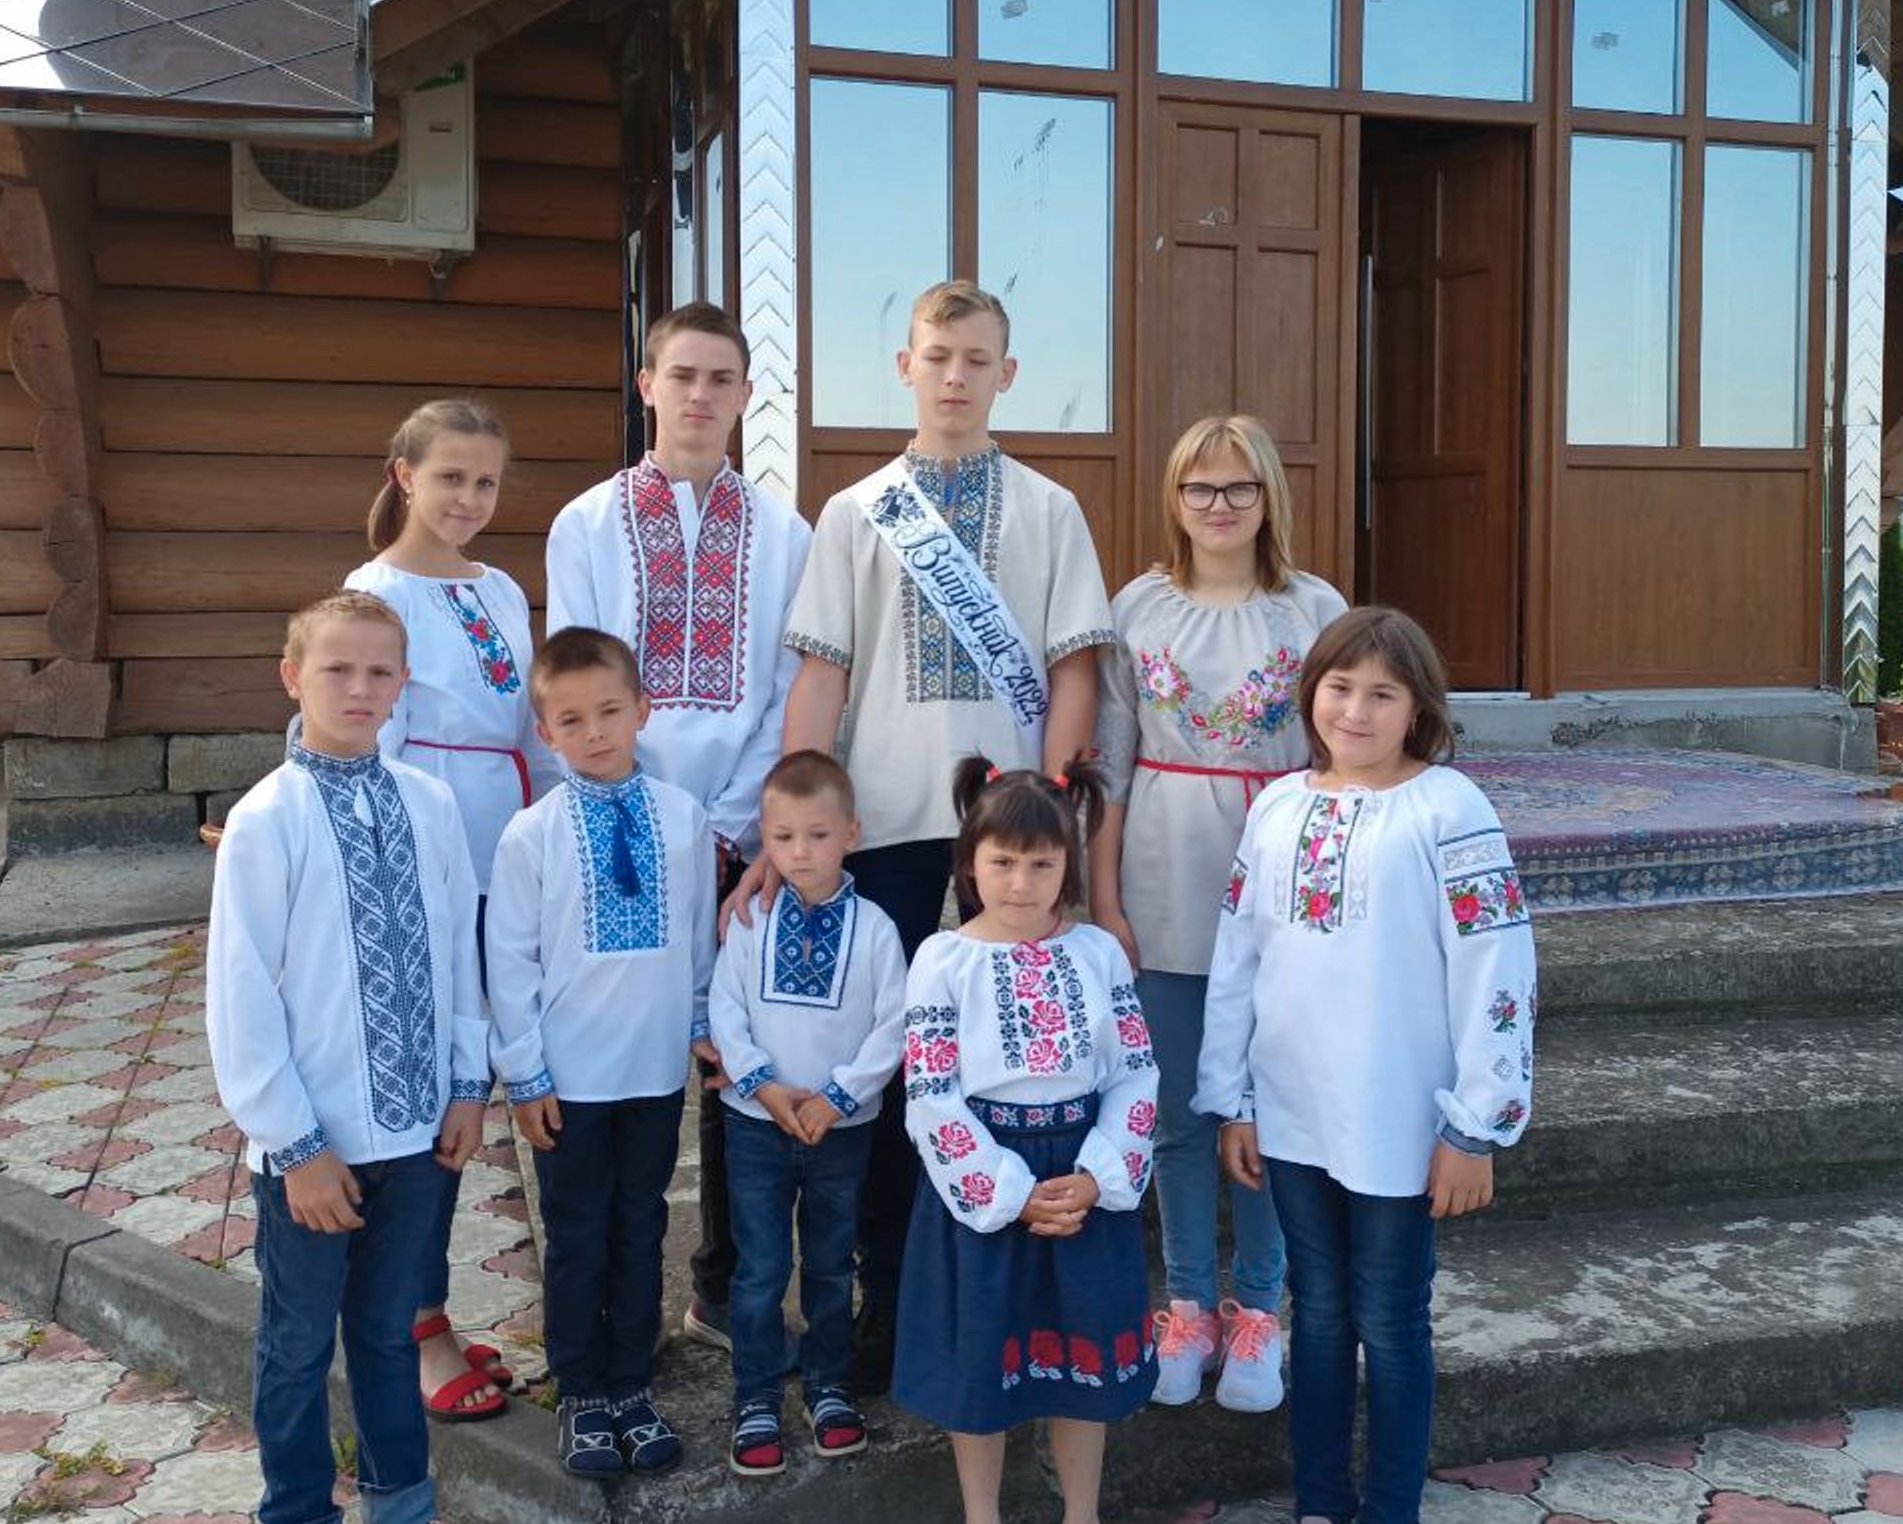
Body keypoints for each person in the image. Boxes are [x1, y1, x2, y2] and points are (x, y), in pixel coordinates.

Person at [774, 278, 1117, 1392]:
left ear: (1006, 374)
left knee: (1007, 1060)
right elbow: (823, 675)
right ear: (905, 366)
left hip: (1007, 841)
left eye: (978, 358)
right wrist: (794, 823)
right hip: (879, 831)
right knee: (881, 1071)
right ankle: (885, 1297)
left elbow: (1074, 667)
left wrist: (1052, 801)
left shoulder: (1050, 509)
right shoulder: (855, 511)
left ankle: (1014, 1286)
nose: (956, 376)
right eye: (938, 355)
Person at [1198, 606, 1537, 1524]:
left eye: (1383, 693)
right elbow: (1237, 956)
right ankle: (1318, 1521)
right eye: (1340, 686)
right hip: (1292, 1115)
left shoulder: (1450, 809)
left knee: (1390, 1325)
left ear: (1418, 710)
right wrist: (1233, 1094)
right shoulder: (1276, 810)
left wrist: (1475, 1123)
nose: (1356, 709)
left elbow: (1497, 966)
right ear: (1310, 694)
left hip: (1399, 1121)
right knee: (1317, 1314)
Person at [205, 591, 504, 1524]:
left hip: (419, 1139)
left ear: (403, 684)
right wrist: (295, 1147)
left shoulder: (428, 805)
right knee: (293, 1353)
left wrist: (470, 1083)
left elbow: (462, 957)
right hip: (316, 1152)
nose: (361, 690)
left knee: (388, 1338)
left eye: (381, 672)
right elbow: (242, 996)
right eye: (338, 670)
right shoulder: (265, 821)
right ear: (294, 677)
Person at [547, 303, 814, 1355]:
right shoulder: (587, 523)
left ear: (747, 397)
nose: (701, 396)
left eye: (723, 379)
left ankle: (722, 1288)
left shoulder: (786, 533)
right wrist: (647, 817)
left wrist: (732, 824)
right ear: (647, 384)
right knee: (623, 1045)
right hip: (618, 817)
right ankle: (610, 1300)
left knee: (734, 1047)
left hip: (739, 834)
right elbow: (584, 679)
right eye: (683, 375)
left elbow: (789, 682)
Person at [1090, 415, 1344, 1415]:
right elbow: (1108, 766)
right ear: (1175, 498)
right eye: (1201, 489)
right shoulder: (1139, 606)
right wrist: (1103, 900)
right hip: (1161, 864)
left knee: (1267, 1109)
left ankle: (1258, 1311)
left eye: (1240, 487)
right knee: (1181, 1115)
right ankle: (1187, 1302)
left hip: (1280, 870)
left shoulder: (1311, 608)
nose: (1220, 506)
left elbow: (1342, 756)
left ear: (1269, 495)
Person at [897, 757, 1158, 1524]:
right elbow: (932, 1092)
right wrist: (1008, 1193)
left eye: (1042, 865)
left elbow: (1135, 1071)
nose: (1021, 881)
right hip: (988, 1187)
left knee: (1082, 1363)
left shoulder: (1098, 955)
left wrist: (1097, 1174)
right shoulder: (941, 962)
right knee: (985, 1366)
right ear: (970, 862)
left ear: (1068, 869)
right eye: (1002, 862)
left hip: (1081, 1180)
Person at [345, 398, 547, 1422]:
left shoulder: (502, 588)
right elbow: (369, 741)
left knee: (479, 1091)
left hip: (507, 851)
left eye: (485, 481)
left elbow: (530, 722)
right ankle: (415, 1325)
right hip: (431, 866)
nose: (468, 498)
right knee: (434, 1100)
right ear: (403, 476)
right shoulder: (376, 593)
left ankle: (429, 1305)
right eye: (449, 477)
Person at [488, 628, 718, 1480]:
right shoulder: (531, 835)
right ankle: (582, 1388)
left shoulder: (684, 820)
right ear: (545, 733)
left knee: (642, 1220)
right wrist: (526, 1072)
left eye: (611, 712)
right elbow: (508, 962)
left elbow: (698, 939)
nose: (594, 732)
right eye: (572, 720)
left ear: (643, 711)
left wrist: (701, 1024)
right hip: (569, 1081)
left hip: (653, 1072)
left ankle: (631, 1380)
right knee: (578, 1231)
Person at [703, 750, 910, 1475]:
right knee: (759, 1270)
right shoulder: (751, 919)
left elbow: (895, 1024)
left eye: (818, 835)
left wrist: (837, 1098)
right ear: (765, 836)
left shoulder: (878, 930)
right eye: (785, 836)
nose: (801, 852)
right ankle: (756, 1395)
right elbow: (724, 1008)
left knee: (828, 1265)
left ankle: (827, 1385)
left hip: (839, 1132)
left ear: (851, 832)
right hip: (756, 1126)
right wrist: (762, 1085)